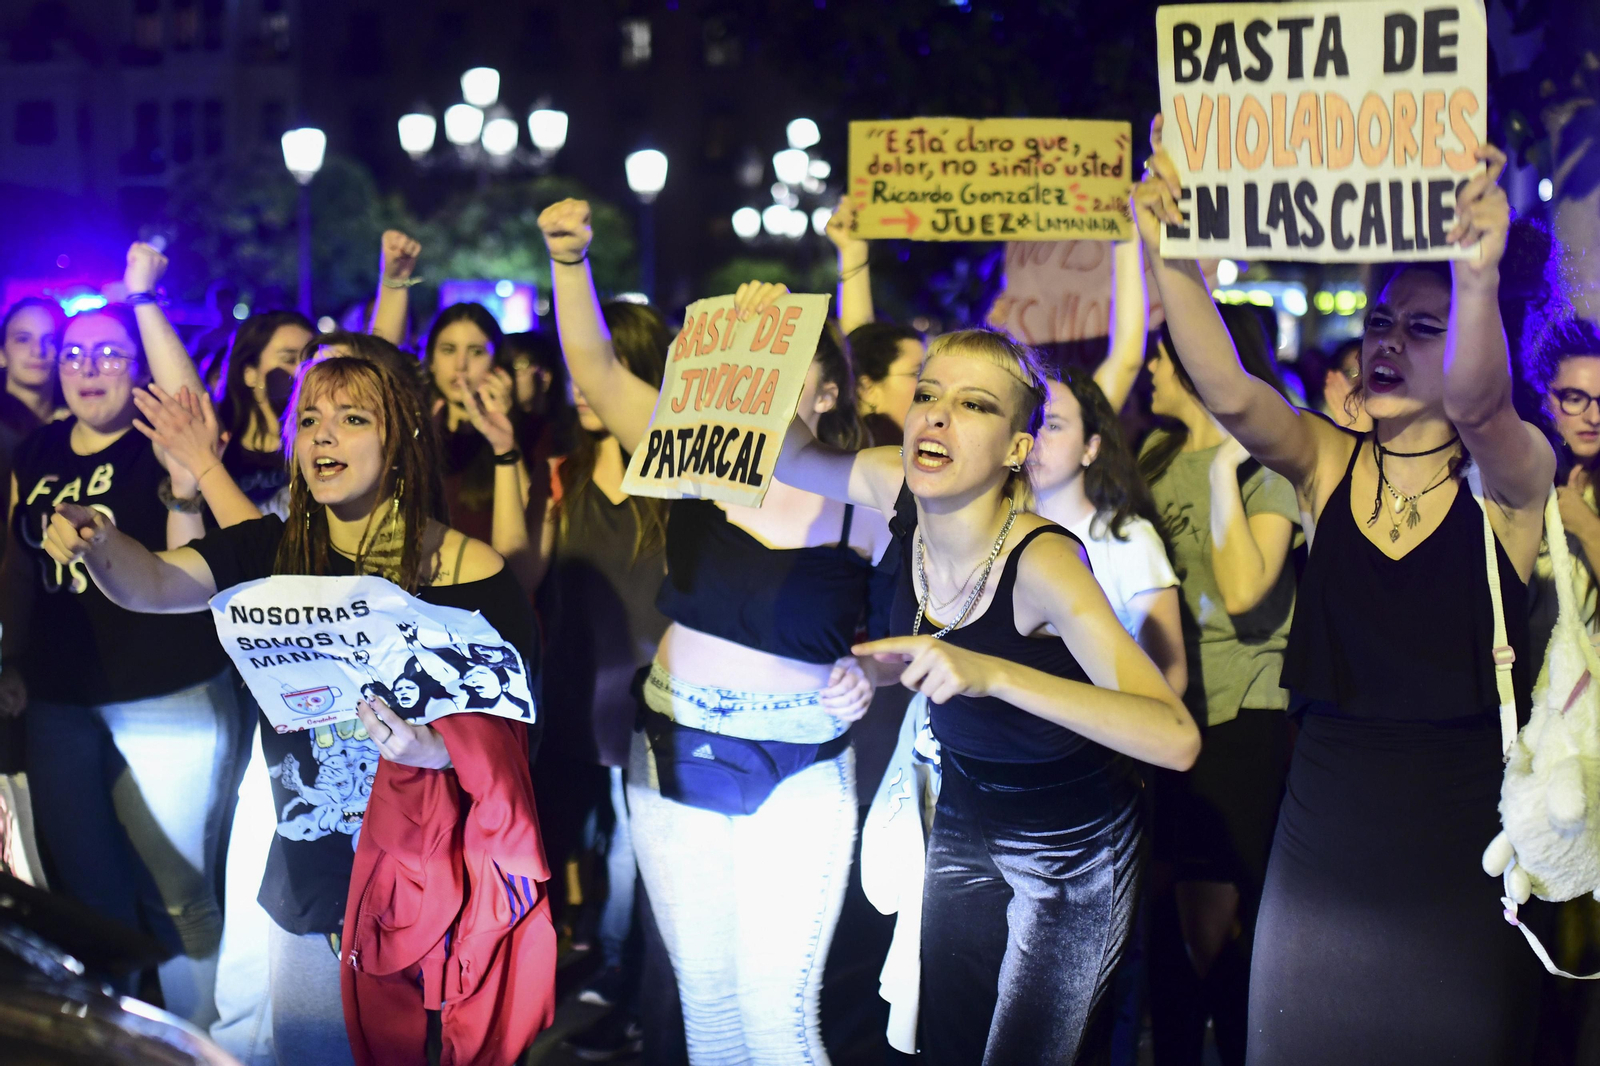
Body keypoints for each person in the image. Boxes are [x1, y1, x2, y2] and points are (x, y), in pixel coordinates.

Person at [1135, 117, 1550, 1064]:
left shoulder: (1512, 479)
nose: (1387, 345)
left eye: (1420, 327)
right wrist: (1173, 260)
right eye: (1377, 324)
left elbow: (1484, 407)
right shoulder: (1327, 460)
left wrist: (1476, 276)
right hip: (1324, 822)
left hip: (1463, 837)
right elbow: (1234, 396)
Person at [49, 345, 548, 1065]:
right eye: (309, 419)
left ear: (401, 438)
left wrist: (436, 748)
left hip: (431, 884)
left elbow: (516, 727)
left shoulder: (474, 572)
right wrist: (96, 541)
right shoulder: (270, 552)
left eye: (350, 419)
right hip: (313, 886)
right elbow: (151, 584)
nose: (321, 436)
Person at [776, 323, 1199, 1063]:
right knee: (945, 1044)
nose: (935, 416)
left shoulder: (1045, 562)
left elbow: (1174, 735)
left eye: (973, 405)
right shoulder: (895, 482)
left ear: (1016, 448)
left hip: (1073, 843)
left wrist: (993, 673)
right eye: (928, 394)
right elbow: (794, 457)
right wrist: (770, 344)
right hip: (970, 809)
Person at [540, 198, 883, 1064]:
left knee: (781, 1019)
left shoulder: (865, 497)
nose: (762, 376)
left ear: (829, 389)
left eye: (786, 362)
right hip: (677, 749)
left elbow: (925, 627)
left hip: (801, 761)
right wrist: (570, 262)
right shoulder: (689, 457)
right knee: (712, 1012)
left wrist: (871, 674)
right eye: (750, 360)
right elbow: (592, 360)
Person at [0, 243, 239, 1027]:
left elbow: (186, 403)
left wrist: (142, 299)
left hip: (162, 692)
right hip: (61, 698)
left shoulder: (154, 438)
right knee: (90, 894)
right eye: (74, 353)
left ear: (135, 367)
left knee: (176, 892)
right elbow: (20, 561)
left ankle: (197, 1043)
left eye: (109, 353)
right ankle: (124, 1038)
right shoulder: (35, 447)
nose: (87, 365)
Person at [1132, 302, 1299, 1066]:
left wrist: (1229, 468)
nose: (1153, 368)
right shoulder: (1152, 461)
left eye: (1166, 356)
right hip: (1164, 717)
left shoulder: (1271, 466)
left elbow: (1240, 590)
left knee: (1216, 928)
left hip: (1241, 716)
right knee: (1162, 923)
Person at [528, 301, 671, 1052]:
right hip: (573, 698)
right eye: (578, 367)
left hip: (652, 704)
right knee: (568, 846)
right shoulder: (562, 474)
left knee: (635, 855)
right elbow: (528, 575)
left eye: (602, 367)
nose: (582, 385)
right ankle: (569, 976)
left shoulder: (680, 481)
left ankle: (629, 988)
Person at [370, 232, 543, 594]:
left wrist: (505, 441)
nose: (460, 365)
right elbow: (379, 364)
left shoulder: (527, 432)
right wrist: (394, 280)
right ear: (430, 361)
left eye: (477, 351)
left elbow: (525, 547)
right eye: (448, 349)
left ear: (498, 361)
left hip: (489, 602)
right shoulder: (415, 425)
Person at [1029, 362, 1185, 694]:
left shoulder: (1127, 539)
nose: (1036, 439)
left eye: (1053, 425)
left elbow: (1169, 680)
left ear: (1091, 447)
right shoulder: (996, 529)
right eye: (1030, 424)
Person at [213, 310, 315, 516]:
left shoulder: (318, 443)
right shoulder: (219, 443)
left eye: (311, 360)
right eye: (289, 359)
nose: (303, 371)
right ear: (249, 374)